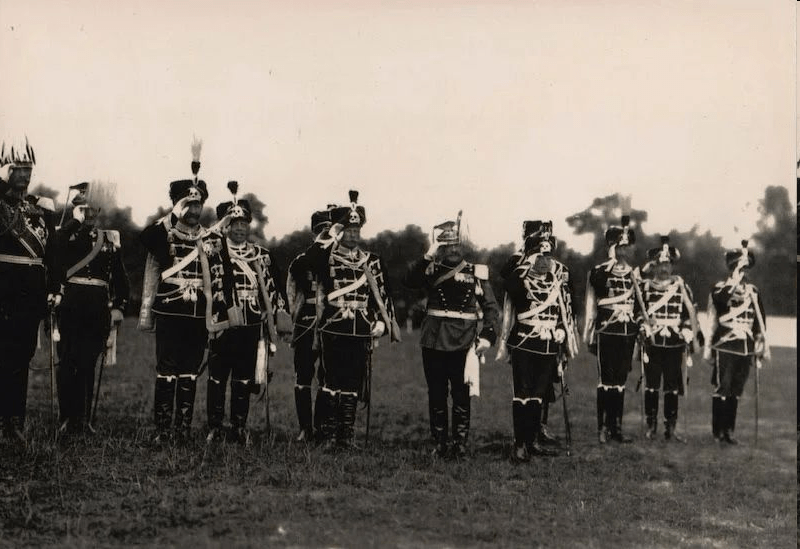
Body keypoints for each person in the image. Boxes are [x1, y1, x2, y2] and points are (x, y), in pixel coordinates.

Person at [139, 140, 226, 444]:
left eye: (198, 204)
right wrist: (171, 215)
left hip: (198, 313)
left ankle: (183, 429)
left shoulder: (210, 237)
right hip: (170, 309)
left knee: (190, 371)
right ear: (178, 206)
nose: (194, 210)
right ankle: (163, 430)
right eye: (188, 205)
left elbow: (219, 277)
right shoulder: (164, 233)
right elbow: (144, 237)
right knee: (167, 370)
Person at [304, 190, 400, 450]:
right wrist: (329, 236)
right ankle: (328, 435)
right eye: (348, 230)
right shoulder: (326, 256)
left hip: (360, 327)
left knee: (353, 383)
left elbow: (383, 293)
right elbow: (308, 263)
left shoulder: (372, 261)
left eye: (357, 230)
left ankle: (346, 437)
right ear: (340, 231)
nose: (354, 235)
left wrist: (382, 320)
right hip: (334, 325)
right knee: (330, 381)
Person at [403, 214, 499, 459]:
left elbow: (491, 308)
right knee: (436, 392)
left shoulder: (475, 272)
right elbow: (409, 281)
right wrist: (428, 254)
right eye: (446, 246)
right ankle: (439, 442)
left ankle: (460, 443)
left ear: (462, 245)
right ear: (441, 247)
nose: (452, 250)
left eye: (456, 245)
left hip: (463, 341)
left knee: (461, 393)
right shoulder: (431, 270)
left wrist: (488, 335)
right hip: (434, 339)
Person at [206, 183, 290, 445]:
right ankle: (216, 427)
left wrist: (277, 316)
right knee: (218, 377)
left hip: (251, 322)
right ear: (226, 225)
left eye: (244, 223)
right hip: (222, 323)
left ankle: (239, 427)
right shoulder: (213, 252)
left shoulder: (261, 255)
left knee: (244, 377)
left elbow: (274, 289)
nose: (240, 228)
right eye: (234, 223)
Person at [56, 182, 130, 434]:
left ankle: (84, 419)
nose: (89, 214)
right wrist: (72, 224)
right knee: (67, 362)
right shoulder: (64, 235)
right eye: (82, 209)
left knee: (88, 363)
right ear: (75, 209)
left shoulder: (109, 239)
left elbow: (121, 280)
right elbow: (53, 253)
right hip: (70, 306)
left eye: (92, 210)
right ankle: (66, 418)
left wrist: (118, 306)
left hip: (97, 308)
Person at [0, 139, 61, 444]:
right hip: (4, 293)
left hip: (31, 296)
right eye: (19, 169)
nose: (24, 175)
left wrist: (52, 289)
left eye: (28, 169)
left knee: (20, 359)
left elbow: (50, 258)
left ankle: (15, 424)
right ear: (6, 170)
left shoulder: (38, 211)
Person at [498, 227, 570, 461]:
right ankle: (519, 445)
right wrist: (525, 264)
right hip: (524, 344)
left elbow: (561, 313)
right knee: (523, 394)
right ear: (530, 257)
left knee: (539, 395)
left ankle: (532, 441)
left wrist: (560, 329)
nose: (545, 261)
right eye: (540, 256)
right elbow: (509, 285)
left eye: (548, 256)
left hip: (547, 346)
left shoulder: (555, 283)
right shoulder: (521, 280)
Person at [583, 216, 642, 444]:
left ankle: (616, 427)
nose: (625, 251)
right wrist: (611, 262)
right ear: (612, 247)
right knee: (605, 381)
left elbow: (638, 305)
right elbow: (596, 289)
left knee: (620, 382)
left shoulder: (633, 274)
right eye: (621, 246)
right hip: (607, 331)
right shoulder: (600, 271)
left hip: (627, 332)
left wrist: (641, 324)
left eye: (627, 246)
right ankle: (602, 428)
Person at [704, 240, 768, 444]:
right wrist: (733, 282)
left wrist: (759, 340)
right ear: (732, 268)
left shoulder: (753, 292)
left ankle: (729, 431)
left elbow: (760, 320)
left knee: (736, 389)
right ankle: (718, 431)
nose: (744, 271)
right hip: (725, 343)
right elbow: (720, 301)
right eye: (739, 267)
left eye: (745, 267)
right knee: (723, 386)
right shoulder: (721, 288)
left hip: (745, 346)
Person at [639, 236, 699, 442]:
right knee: (652, 386)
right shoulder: (646, 287)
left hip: (674, 342)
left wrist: (687, 331)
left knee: (672, 387)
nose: (664, 268)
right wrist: (644, 327)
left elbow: (689, 315)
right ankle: (651, 425)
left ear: (672, 266)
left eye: (667, 263)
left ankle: (670, 427)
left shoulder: (682, 287)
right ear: (654, 266)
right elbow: (640, 312)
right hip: (653, 342)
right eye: (660, 264)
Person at [286, 207, 333, 442]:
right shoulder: (302, 259)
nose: (327, 234)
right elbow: (291, 292)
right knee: (303, 374)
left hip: (331, 321)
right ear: (314, 232)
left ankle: (323, 426)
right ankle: (305, 428)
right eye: (322, 230)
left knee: (328, 375)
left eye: (330, 229)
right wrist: (291, 321)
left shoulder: (340, 258)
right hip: (306, 322)